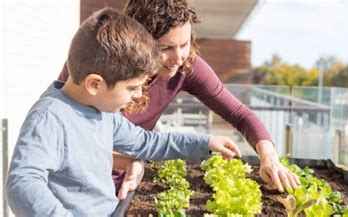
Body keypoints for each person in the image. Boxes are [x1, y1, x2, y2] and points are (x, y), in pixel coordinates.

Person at [5, 8, 241, 216]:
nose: (139, 95)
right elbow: (22, 183)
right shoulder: (50, 118)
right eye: (131, 87)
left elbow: (146, 142)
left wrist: (206, 142)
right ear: (94, 84)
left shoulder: (101, 112)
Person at [59, 0, 300, 197]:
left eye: (184, 44)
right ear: (137, 42)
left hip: (126, 185)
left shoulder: (186, 66)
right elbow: (65, 140)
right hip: (74, 188)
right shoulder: (96, 64)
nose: (179, 57)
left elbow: (240, 114)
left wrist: (269, 158)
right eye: (165, 49)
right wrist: (126, 161)